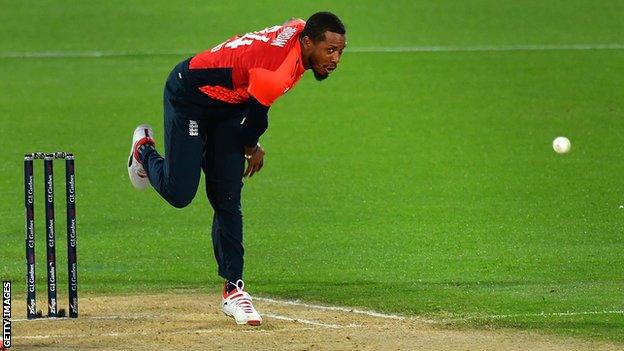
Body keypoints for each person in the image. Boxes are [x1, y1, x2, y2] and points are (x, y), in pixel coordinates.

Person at [127, 12, 346, 325]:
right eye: (330, 51)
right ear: (308, 42)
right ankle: (144, 149)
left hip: (231, 105)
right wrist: (252, 148)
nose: (336, 59)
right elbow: (254, 125)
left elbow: (295, 20)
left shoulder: (299, 31)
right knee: (179, 192)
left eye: (340, 51)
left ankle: (234, 289)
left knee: (227, 196)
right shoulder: (276, 71)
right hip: (190, 97)